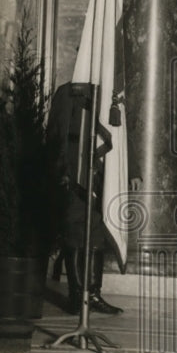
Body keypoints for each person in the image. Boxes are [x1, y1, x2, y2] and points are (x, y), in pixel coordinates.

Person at [47, 81, 126, 315]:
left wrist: (132, 172)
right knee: (75, 228)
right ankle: (76, 295)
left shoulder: (109, 92)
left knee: (97, 231)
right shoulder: (67, 91)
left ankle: (93, 294)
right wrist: (60, 168)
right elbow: (56, 132)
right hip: (75, 169)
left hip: (104, 173)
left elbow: (120, 134)